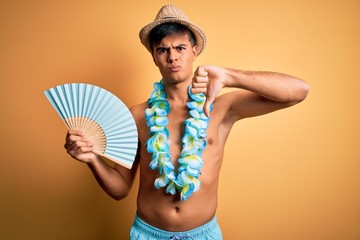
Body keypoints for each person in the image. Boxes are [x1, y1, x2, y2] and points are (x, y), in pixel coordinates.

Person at [64, 4, 309, 240]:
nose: (172, 57)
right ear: (154, 57)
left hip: (203, 234)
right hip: (148, 234)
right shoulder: (138, 115)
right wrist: (92, 159)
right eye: (163, 50)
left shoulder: (222, 108)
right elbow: (120, 190)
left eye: (180, 48)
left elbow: (298, 91)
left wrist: (230, 76)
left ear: (194, 51)